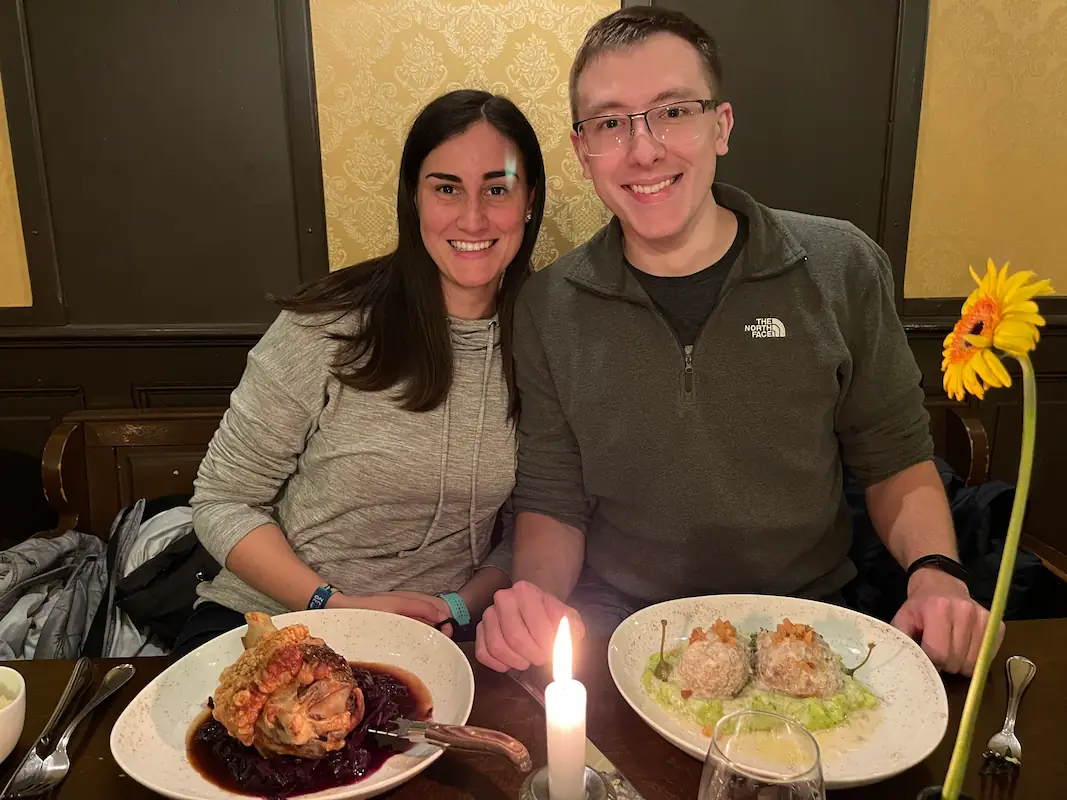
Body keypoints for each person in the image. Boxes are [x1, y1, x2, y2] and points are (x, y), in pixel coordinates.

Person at [474, 8, 999, 677]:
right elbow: (553, 499)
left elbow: (895, 459)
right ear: (582, 152)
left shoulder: (840, 266)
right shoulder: (547, 305)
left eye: (672, 111)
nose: (643, 150)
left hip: (806, 624)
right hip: (622, 629)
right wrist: (536, 604)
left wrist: (935, 575)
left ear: (719, 126)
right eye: (610, 123)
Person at [172, 89, 546, 658]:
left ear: (529, 202)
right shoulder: (327, 326)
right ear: (414, 201)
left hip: (440, 638)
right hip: (276, 623)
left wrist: (461, 604)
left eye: (497, 189)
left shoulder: (545, 339)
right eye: (446, 188)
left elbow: (532, 520)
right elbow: (221, 501)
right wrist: (331, 604)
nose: (473, 217)